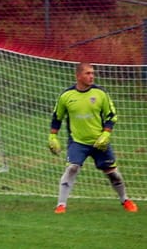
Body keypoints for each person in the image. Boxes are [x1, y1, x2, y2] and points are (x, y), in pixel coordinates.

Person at [48, 62, 138, 214]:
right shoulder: (66, 96)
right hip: (77, 141)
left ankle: (125, 200)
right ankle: (61, 205)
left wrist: (106, 134)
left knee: (112, 173)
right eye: (87, 73)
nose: (91, 76)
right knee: (72, 168)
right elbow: (57, 117)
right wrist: (52, 136)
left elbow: (111, 116)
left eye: (92, 73)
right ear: (78, 76)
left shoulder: (100, 93)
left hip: (99, 142)